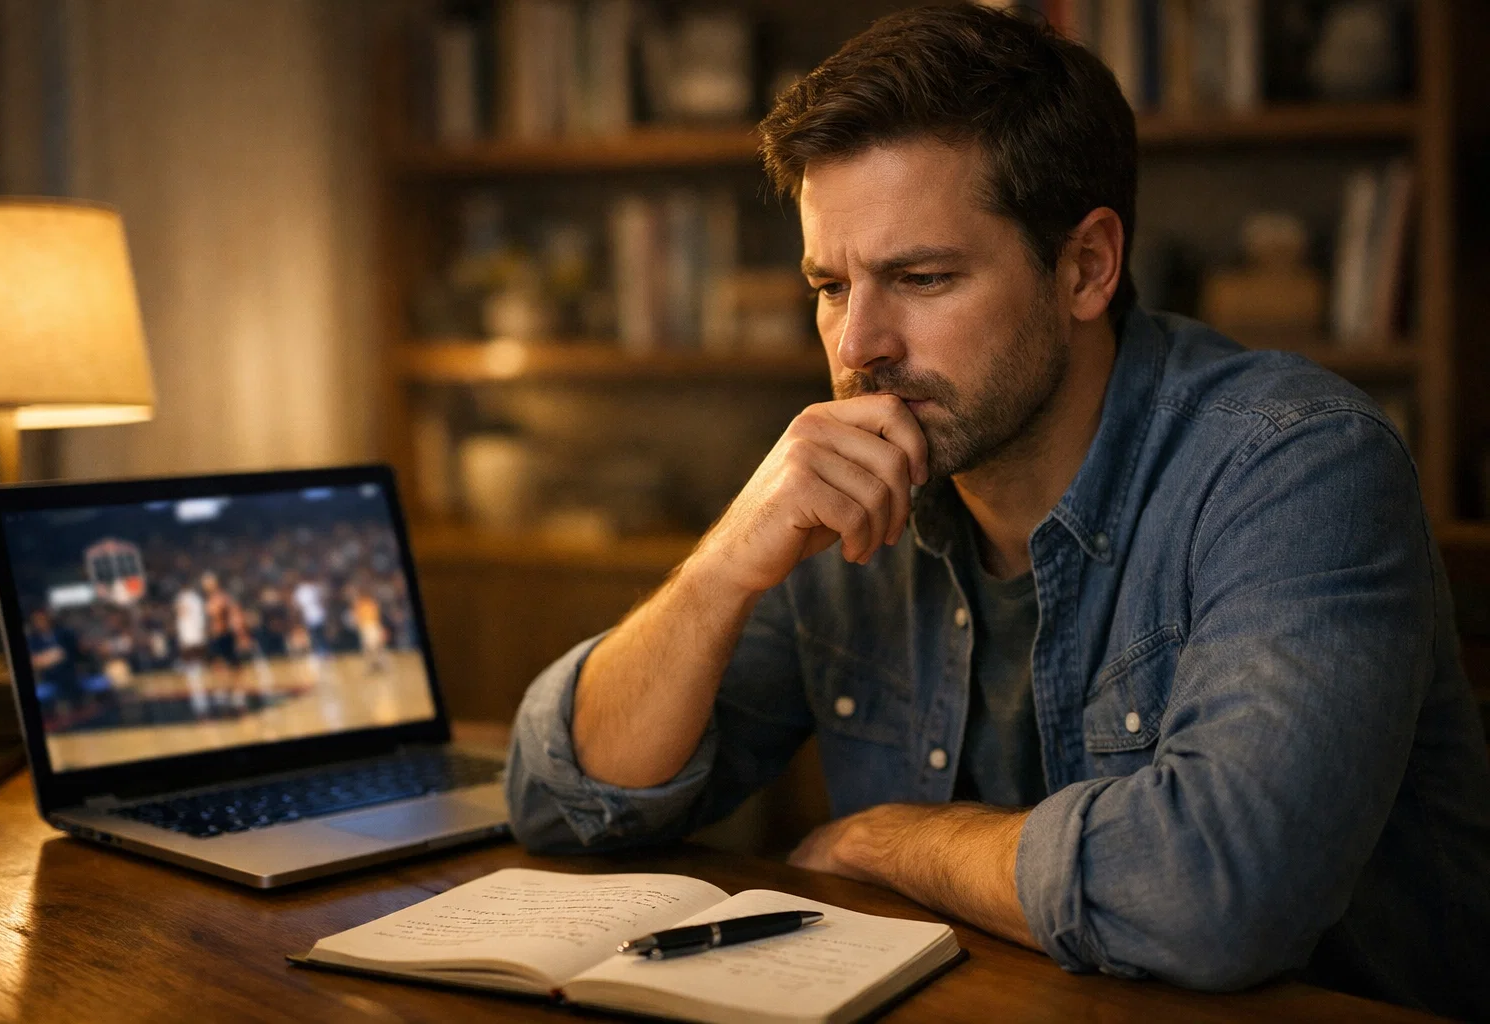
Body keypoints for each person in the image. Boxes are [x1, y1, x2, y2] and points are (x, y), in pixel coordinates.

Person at [504, 5, 1490, 1017]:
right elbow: (560, 801)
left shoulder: (1297, 464)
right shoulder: (851, 480)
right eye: (831, 286)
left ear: (1086, 266)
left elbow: (1217, 894)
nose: (859, 345)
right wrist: (719, 572)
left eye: (922, 278)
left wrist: (888, 840)